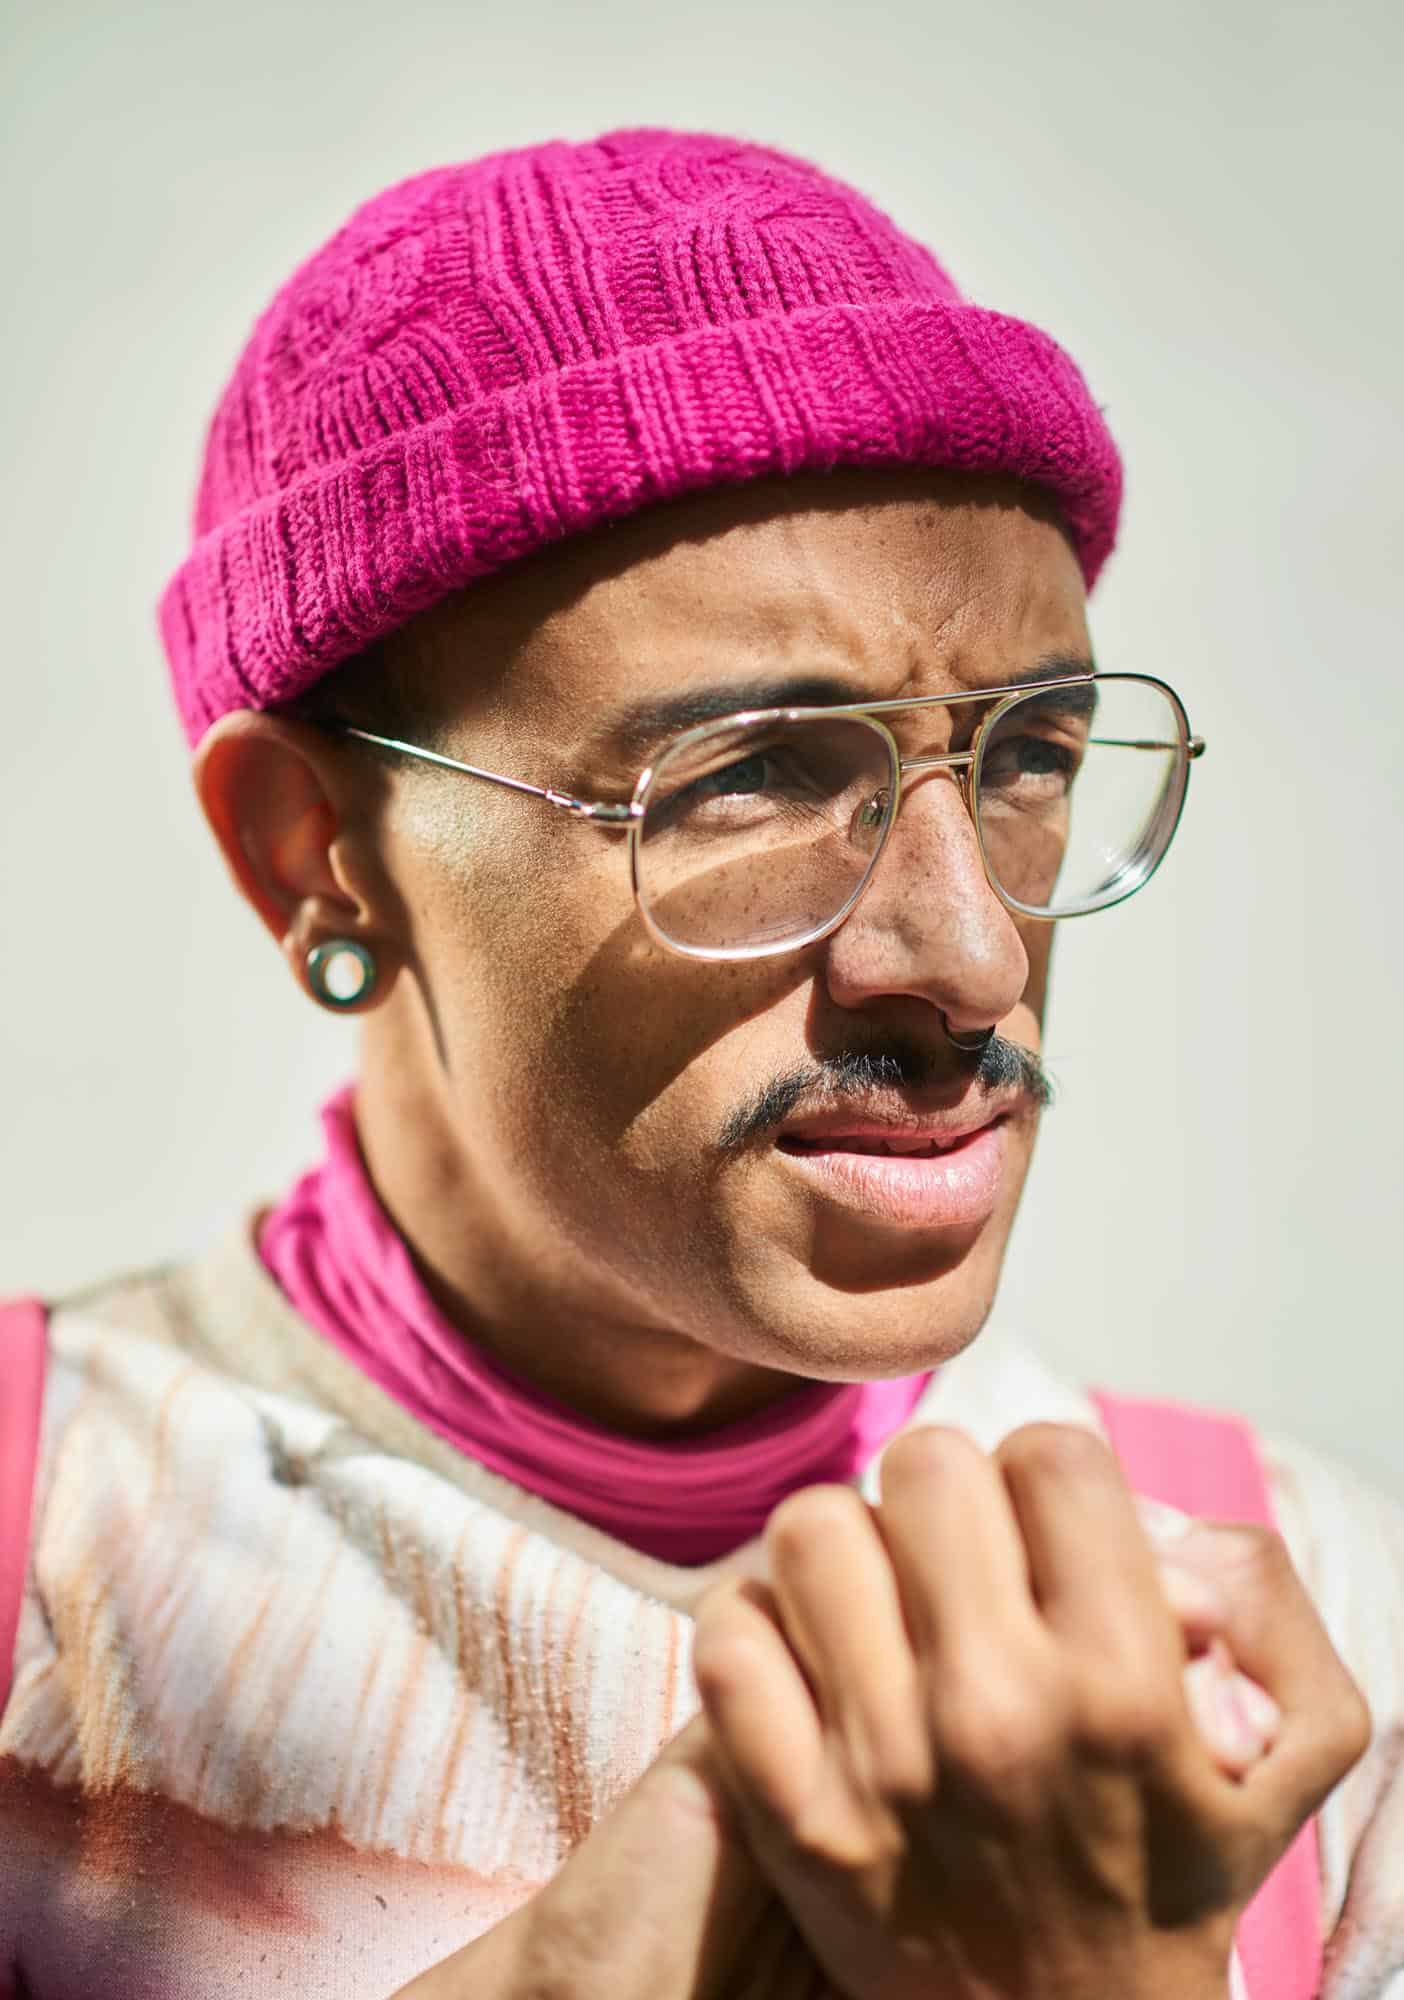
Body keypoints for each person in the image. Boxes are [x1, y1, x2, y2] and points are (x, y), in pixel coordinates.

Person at [1, 127, 1400, 2000]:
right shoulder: (39, 1557)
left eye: (1029, 756)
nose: (972, 959)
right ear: (312, 852)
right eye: (748, 777)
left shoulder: (1319, 1639)